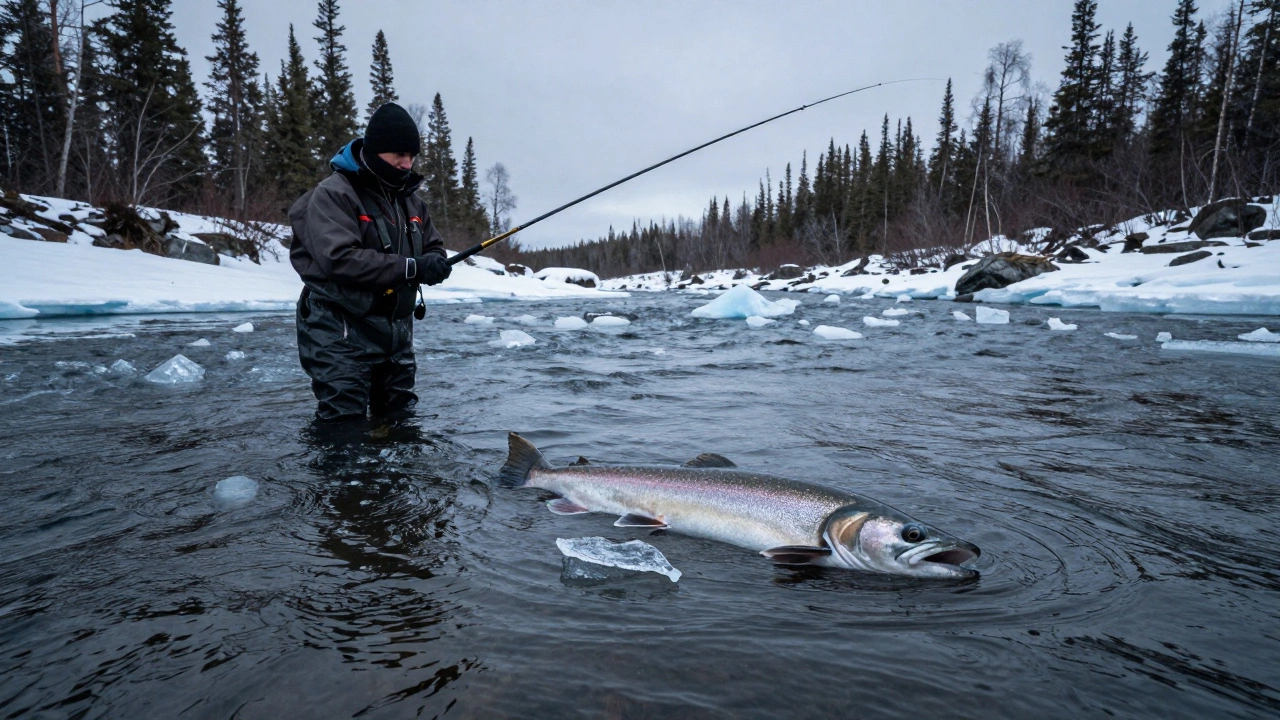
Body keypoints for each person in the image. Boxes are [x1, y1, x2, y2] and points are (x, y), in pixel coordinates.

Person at [289, 102, 451, 424]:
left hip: (395, 332)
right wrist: (412, 267)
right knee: (343, 428)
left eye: (411, 155)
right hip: (339, 330)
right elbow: (341, 259)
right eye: (398, 155)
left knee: (399, 424)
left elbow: (433, 246)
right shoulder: (334, 195)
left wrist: (434, 263)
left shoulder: (413, 201)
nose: (406, 164)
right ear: (376, 151)